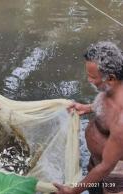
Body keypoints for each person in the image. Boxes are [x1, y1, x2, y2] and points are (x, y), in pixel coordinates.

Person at [54, 41, 123, 194]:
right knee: (94, 185)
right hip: (97, 161)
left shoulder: (121, 120)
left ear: (110, 78)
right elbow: (105, 104)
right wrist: (88, 108)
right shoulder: (111, 87)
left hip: (114, 172)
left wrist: (73, 191)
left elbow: (106, 166)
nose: (89, 80)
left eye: (92, 76)